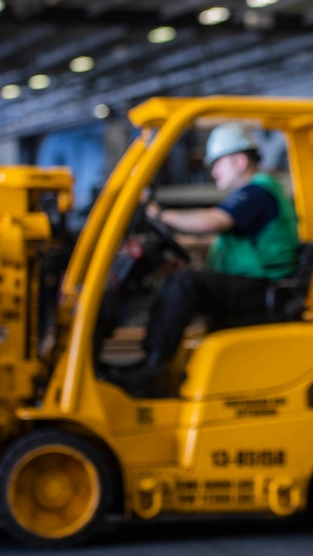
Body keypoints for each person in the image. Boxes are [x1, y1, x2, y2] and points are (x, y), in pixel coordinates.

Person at [107, 122, 300, 396]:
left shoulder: (258, 192)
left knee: (183, 284)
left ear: (240, 160)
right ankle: (154, 362)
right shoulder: (258, 193)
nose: (213, 171)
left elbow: (212, 221)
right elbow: (225, 240)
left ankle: (153, 368)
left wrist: (159, 214)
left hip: (261, 288)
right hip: (256, 283)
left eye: (217, 163)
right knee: (181, 279)